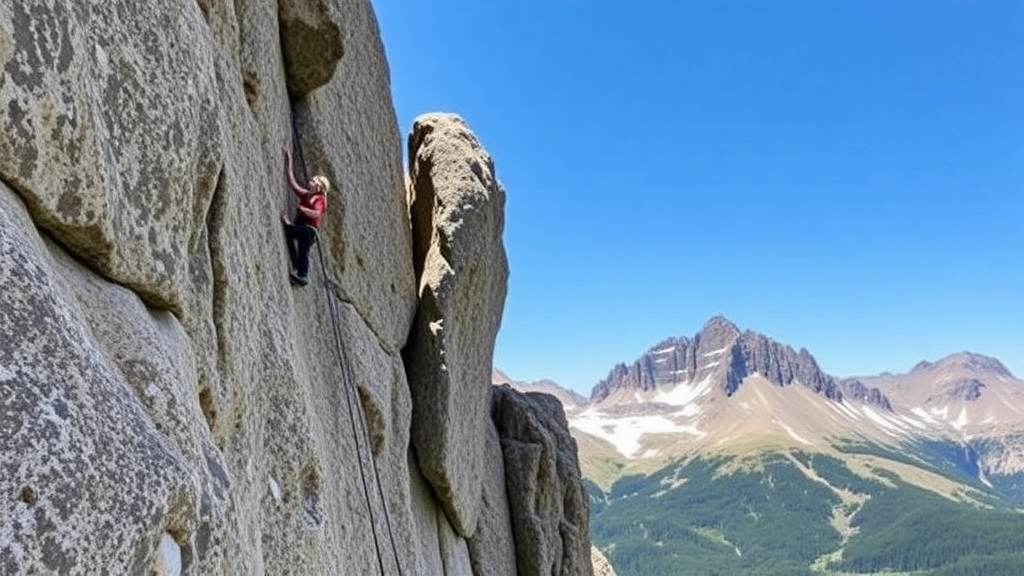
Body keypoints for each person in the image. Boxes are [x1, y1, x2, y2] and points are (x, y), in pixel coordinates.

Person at [280, 149, 329, 286]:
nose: (310, 182)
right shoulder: (307, 195)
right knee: (300, 248)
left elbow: (317, 214)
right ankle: (298, 270)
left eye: (313, 181)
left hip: (309, 230)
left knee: (290, 232)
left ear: (319, 186)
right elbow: (293, 184)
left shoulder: (320, 199)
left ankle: (303, 275)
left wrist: (303, 209)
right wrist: (288, 164)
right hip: (303, 227)